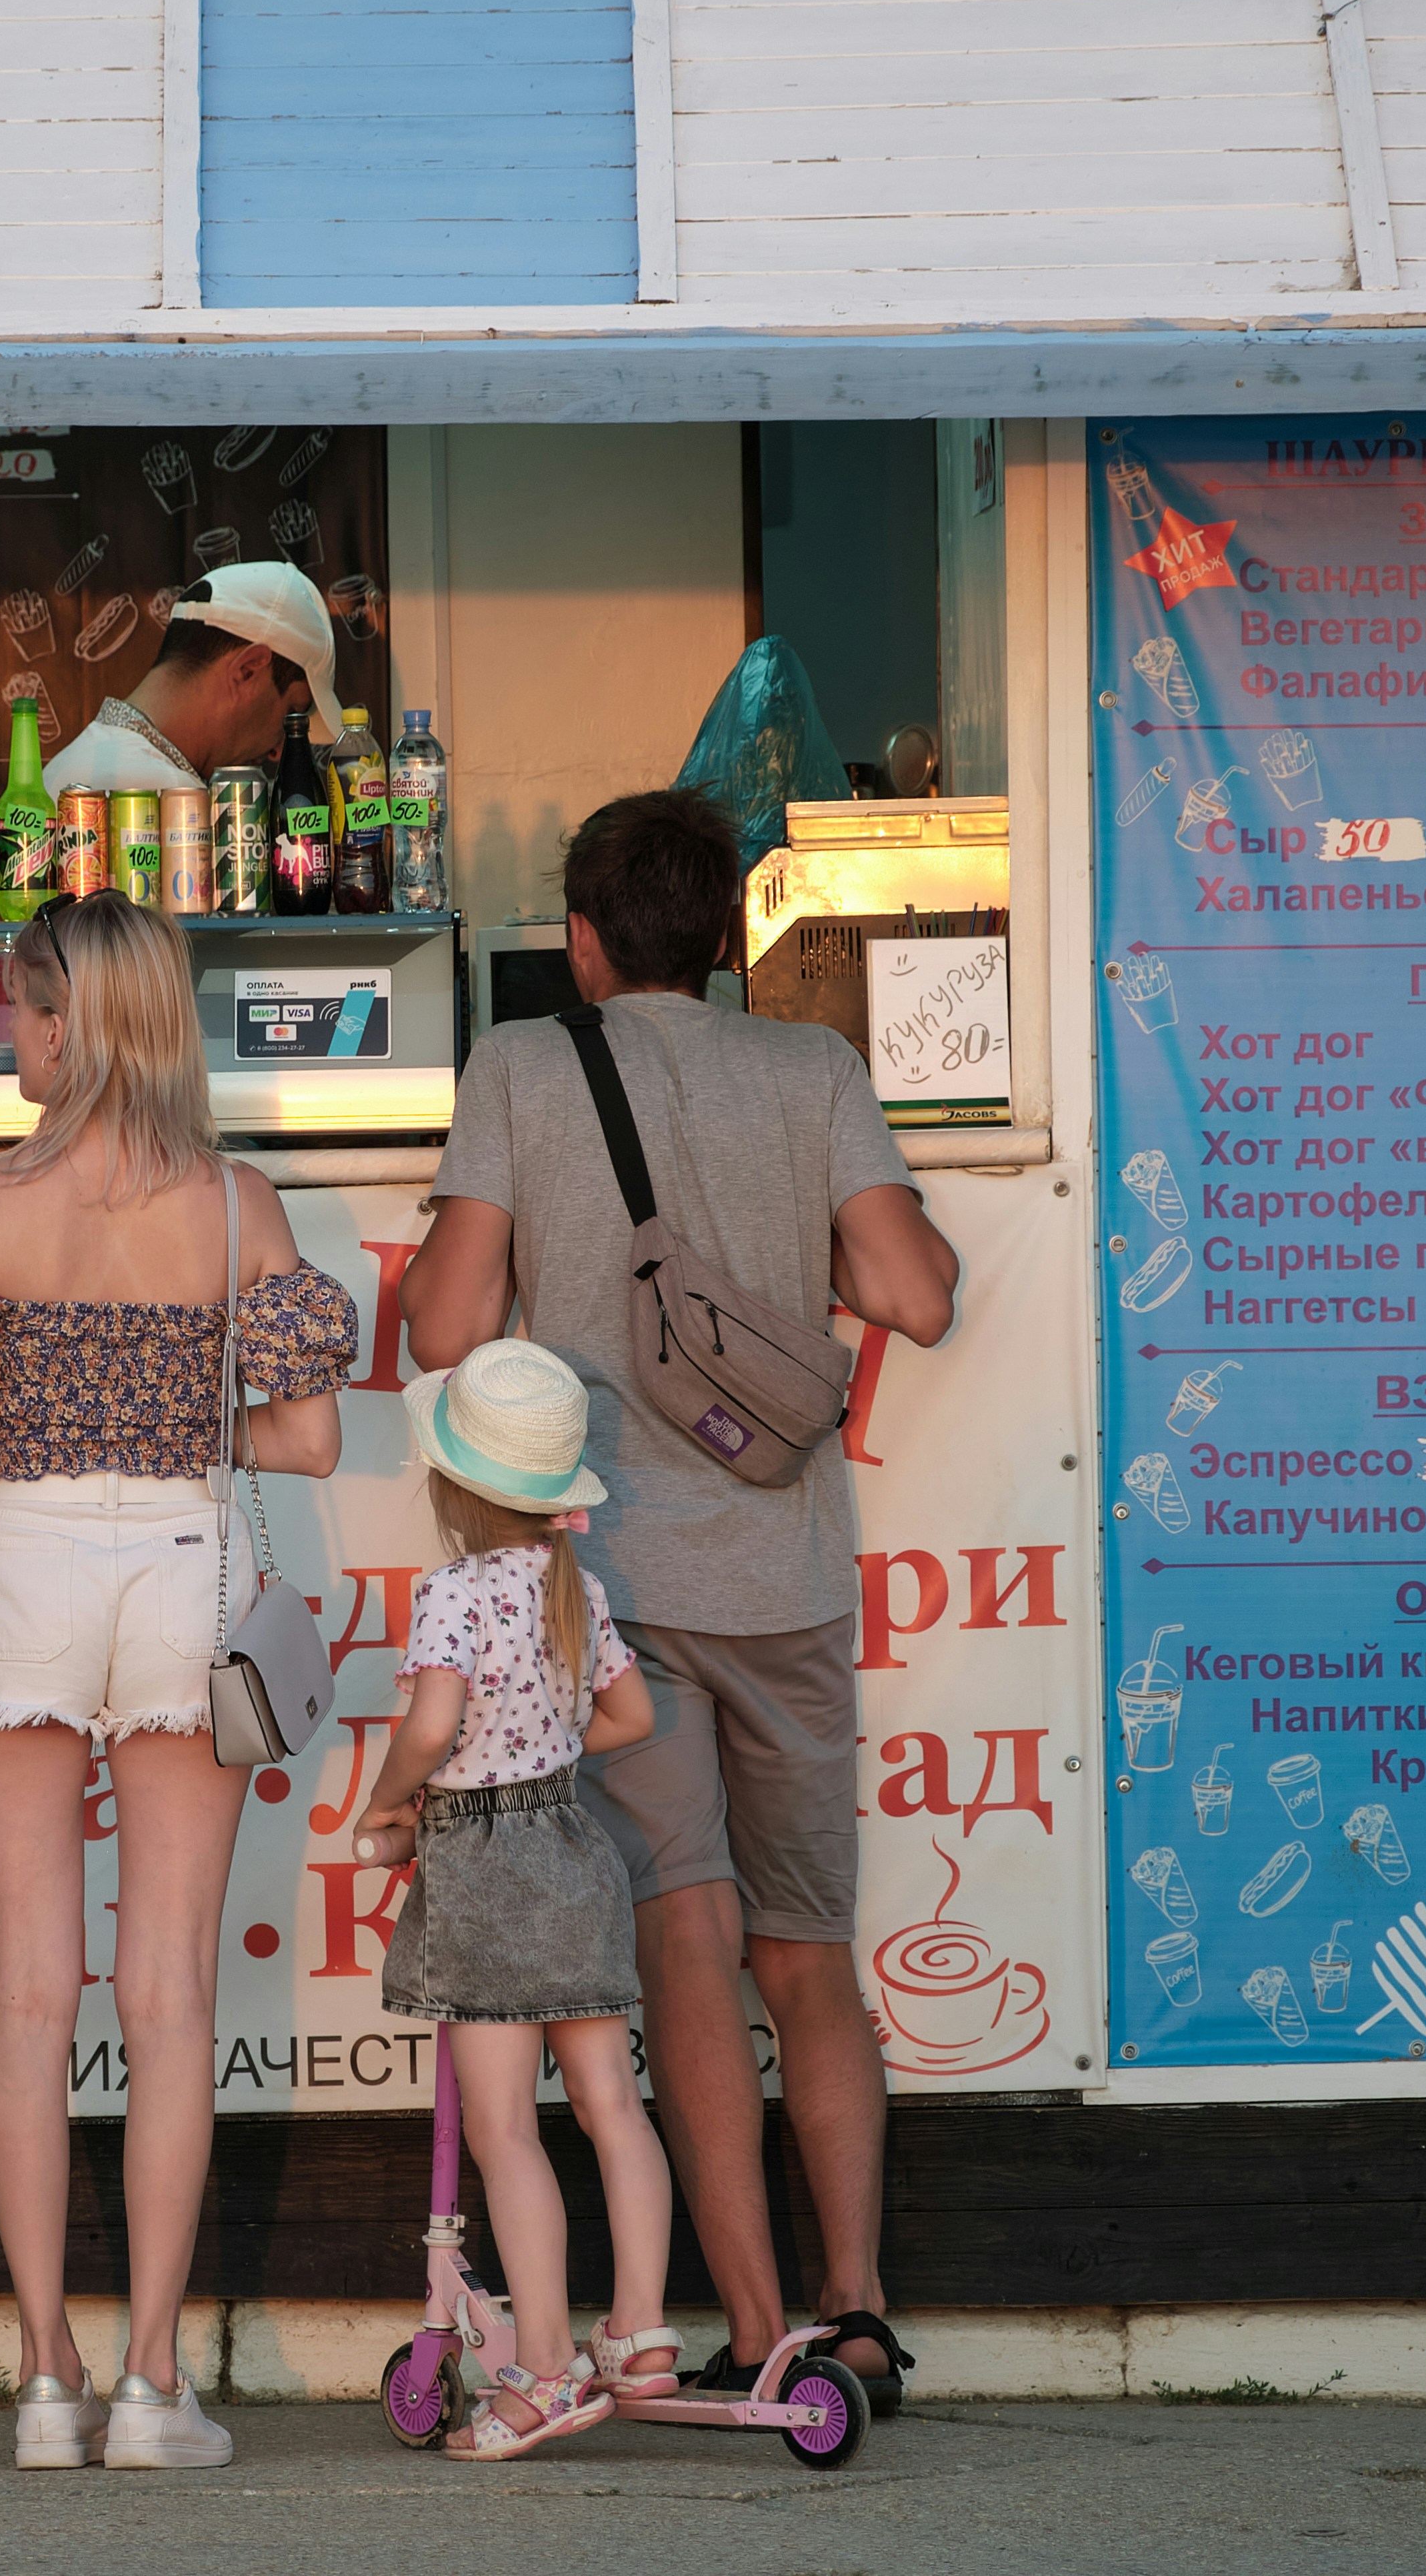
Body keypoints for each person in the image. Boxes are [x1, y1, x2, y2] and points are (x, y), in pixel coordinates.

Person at [401, 786, 959, 2411]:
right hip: (783, 1572)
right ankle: (857, 2312)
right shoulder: (814, 1068)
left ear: (578, 941)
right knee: (808, 1953)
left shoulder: (519, 1065)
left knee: (687, 1946)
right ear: (725, 943)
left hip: (613, 1599)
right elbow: (910, 1292)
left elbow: (445, 1326)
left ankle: (756, 2326)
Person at [0, 890, 355, 2467]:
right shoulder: (235, 1206)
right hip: (180, 1571)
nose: (4, 1027)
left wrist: (29, 1399)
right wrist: (166, 1413)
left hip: (19, 1565)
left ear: (73, 1025)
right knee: (171, 1992)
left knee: (26, 1988)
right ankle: (152, 2382)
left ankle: (42, 2376)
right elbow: (307, 1437)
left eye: (17, 1004)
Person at [350, 1337, 676, 2459]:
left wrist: (389, 1803)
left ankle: (543, 2367)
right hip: (573, 1850)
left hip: (486, 1872)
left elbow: (433, 1726)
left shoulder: (451, 1591)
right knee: (612, 2107)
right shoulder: (571, 1584)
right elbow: (629, 1721)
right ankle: (639, 2330)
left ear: (449, 1484)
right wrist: (547, 1748)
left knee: (504, 2127)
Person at [36, 561, 335, 792]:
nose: (278, 751)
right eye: (291, 712)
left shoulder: (76, 765)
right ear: (248, 670)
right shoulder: (158, 794)